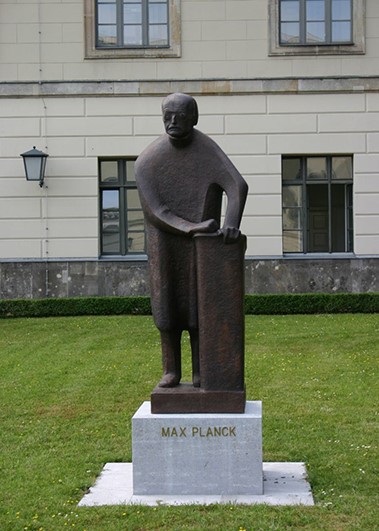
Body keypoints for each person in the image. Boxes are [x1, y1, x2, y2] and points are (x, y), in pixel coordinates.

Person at [135, 93, 248, 388]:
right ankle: (171, 369)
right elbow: (155, 211)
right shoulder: (148, 160)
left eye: (180, 116)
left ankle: (202, 370)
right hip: (165, 244)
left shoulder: (206, 150)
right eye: (168, 116)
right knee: (167, 307)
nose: (173, 122)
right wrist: (192, 228)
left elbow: (236, 185)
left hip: (203, 246)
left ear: (193, 118)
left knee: (201, 306)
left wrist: (231, 224)